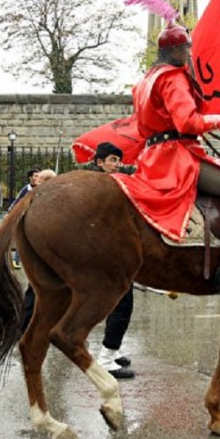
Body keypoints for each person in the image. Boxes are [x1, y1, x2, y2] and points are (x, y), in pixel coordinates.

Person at [113, 22, 220, 293]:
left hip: (152, 158)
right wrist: (215, 120)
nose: (188, 53)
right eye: (185, 48)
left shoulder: (145, 82)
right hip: (176, 158)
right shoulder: (172, 77)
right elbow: (186, 122)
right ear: (174, 50)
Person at [92, 142, 137, 380]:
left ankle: (113, 349)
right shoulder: (102, 185)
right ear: (100, 162)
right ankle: (106, 360)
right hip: (109, 254)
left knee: (114, 306)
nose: (117, 164)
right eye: (112, 160)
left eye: (118, 160)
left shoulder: (111, 182)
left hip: (110, 252)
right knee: (122, 305)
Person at [20, 169, 57, 334]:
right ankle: (23, 326)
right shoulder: (33, 198)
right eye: (36, 179)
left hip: (52, 254)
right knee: (35, 291)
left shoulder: (55, 200)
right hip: (40, 254)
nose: (36, 182)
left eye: (41, 180)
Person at [9, 167, 41, 269]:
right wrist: (11, 212)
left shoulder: (42, 188)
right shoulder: (26, 190)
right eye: (36, 176)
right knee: (23, 239)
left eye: (39, 176)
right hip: (26, 218)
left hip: (38, 219)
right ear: (30, 178)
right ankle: (17, 260)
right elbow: (17, 202)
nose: (38, 178)